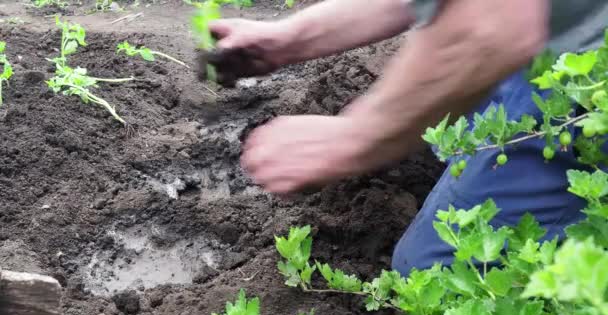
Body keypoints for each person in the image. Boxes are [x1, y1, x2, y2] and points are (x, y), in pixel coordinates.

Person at [203, 0, 608, 276]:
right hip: (554, 39)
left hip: (589, 76)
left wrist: (357, 138)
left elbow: (489, 27)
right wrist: (292, 36)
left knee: (437, 272)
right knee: (458, 119)